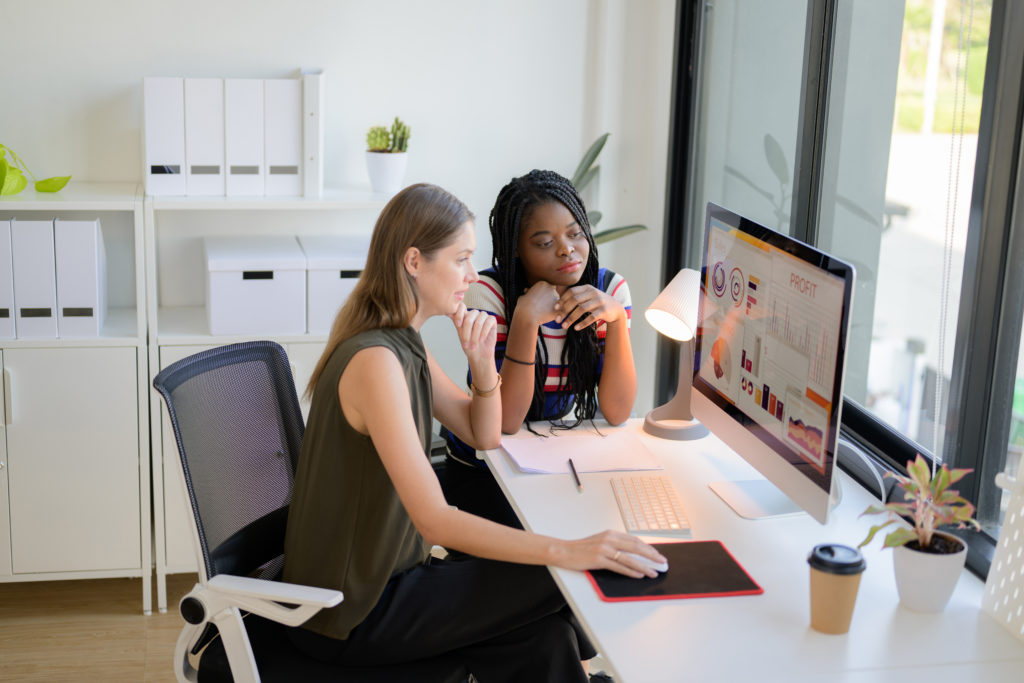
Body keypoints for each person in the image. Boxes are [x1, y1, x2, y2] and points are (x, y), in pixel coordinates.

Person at [282, 183, 663, 682]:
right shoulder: (376, 361)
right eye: (461, 260)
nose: (470, 276)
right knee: (567, 576)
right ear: (414, 262)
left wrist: (484, 367)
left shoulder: (402, 340)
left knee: (544, 638)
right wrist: (566, 549)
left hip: (397, 581)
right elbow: (436, 522)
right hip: (355, 610)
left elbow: (481, 434)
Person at [441, 169, 638, 527]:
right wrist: (526, 320)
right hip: (482, 470)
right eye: (545, 243)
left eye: (576, 234)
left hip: (550, 464)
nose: (566, 249)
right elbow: (507, 422)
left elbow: (618, 411)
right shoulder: (488, 293)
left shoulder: (609, 289)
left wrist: (617, 321)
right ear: (515, 248)